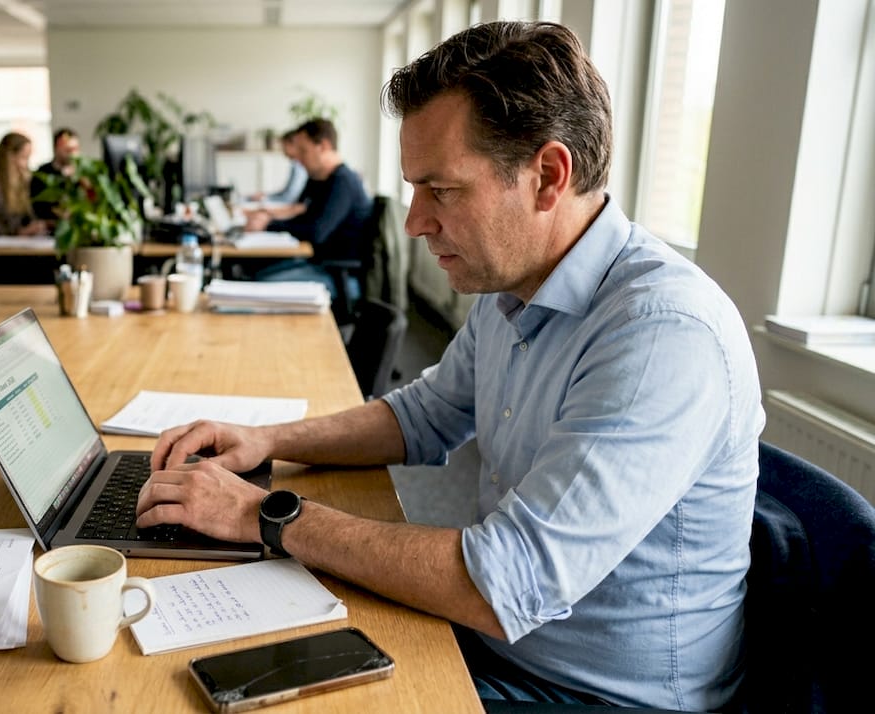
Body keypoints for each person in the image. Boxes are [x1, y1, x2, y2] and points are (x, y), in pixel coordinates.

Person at [137, 20, 764, 712]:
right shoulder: (515, 285)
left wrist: (268, 513)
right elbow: (421, 416)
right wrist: (267, 442)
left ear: (548, 177)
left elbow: (506, 582)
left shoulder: (661, 337)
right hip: (494, 641)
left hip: (593, 695)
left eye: (442, 190)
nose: (413, 223)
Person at [244, 118, 371, 300]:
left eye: (303, 152)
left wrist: (268, 225)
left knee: (259, 287)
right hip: (320, 264)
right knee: (254, 273)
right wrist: (268, 220)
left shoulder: (342, 182)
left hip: (340, 275)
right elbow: (303, 217)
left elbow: (316, 232)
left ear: (324, 146)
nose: (299, 159)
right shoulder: (322, 179)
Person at [0, 132, 48, 237]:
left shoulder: (21, 184)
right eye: (23, 158)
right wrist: (17, 232)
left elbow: (29, 218)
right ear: (9, 157)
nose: (26, 165)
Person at [32, 128, 81, 221]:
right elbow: (38, 207)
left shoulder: (82, 174)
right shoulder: (42, 173)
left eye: (76, 149)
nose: (73, 154)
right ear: (56, 148)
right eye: (68, 150)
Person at [251, 130, 308, 205]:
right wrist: (266, 196)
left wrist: (265, 198)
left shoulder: (299, 166)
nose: (283, 150)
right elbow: (285, 192)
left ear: (292, 144)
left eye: (284, 146)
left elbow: (290, 197)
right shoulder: (295, 164)